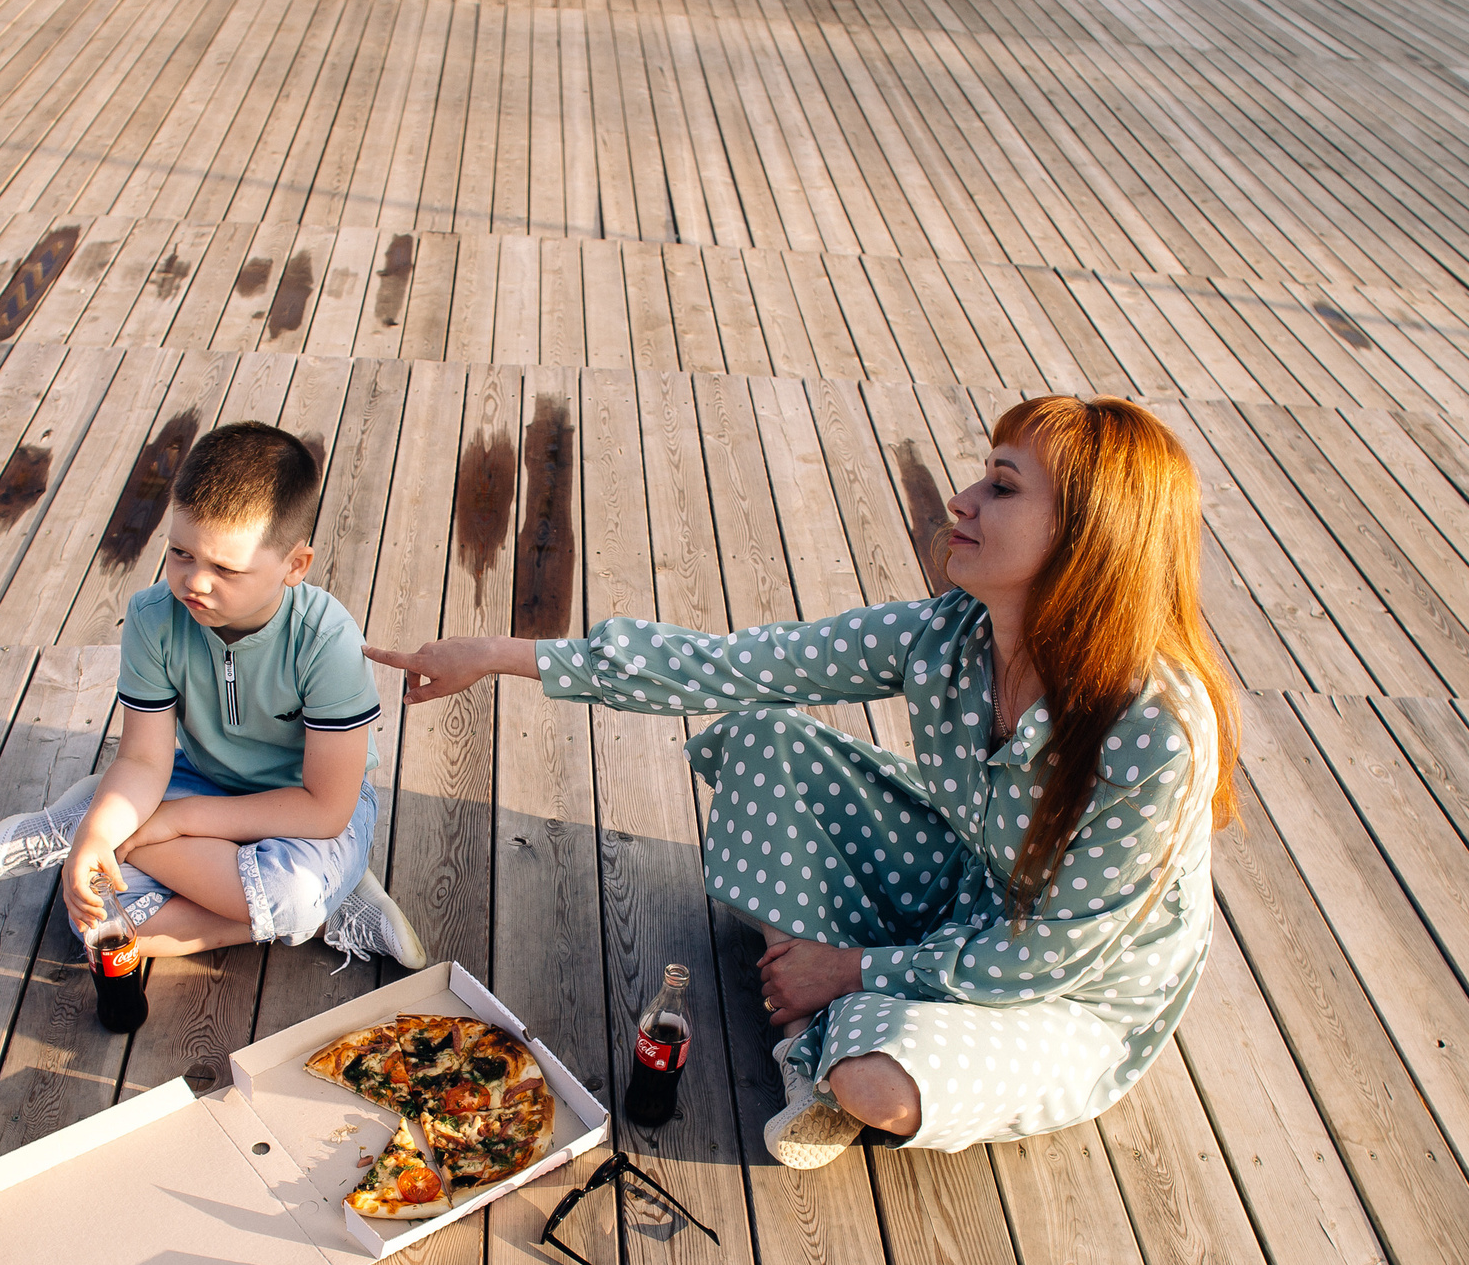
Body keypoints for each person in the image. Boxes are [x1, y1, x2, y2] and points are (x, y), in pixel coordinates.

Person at [367, 396, 1238, 1169]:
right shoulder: (952, 632)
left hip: (1066, 990)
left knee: (876, 1082)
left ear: (1087, 533)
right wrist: (500, 654)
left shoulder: (1156, 732)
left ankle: (821, 1029)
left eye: (1002, 487)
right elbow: (740, 665)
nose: (962, 500)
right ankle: (806, 1035)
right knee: (762, 738)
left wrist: (849, 968)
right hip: (966, 882)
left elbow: (1050, 955)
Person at [0, 421, 427, 992]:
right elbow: (143, 760)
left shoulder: (325, 640)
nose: (195, 582)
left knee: (293, 897)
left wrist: (170, 823)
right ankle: (316, 911)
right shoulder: (153, 617)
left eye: (226, 569)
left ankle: (315, 907)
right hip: (199, 779)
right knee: (96, 921)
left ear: (295, 565)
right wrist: (108, 836)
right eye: (180, 553)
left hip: (306, 812)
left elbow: (325, 809)